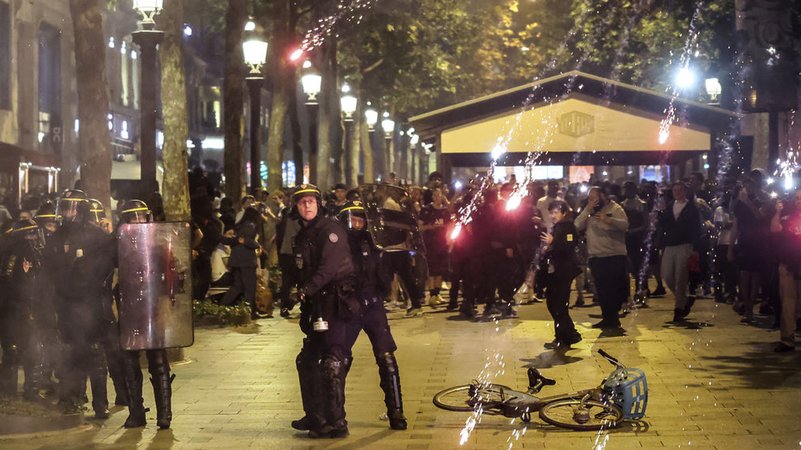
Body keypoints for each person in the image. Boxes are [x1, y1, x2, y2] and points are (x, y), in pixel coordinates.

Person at [290, 184, 359, 438]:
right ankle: (316, 418)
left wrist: (305, 290)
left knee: (332, 362)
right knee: (307, 360)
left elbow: (328, 269)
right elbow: (297, 268)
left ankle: (337, 422)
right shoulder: (302, 235)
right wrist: (290, 293)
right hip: (315, 304)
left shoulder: (331, 230)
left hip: (335, 303)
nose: (307, 206)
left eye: (311, 201)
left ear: (319, 204)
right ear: (295, 207)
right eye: (301, 202)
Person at [337, 201, 407, 430]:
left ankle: (396, 413)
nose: (357, 223)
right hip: (350, 304)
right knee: (338, 360)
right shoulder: (340, 244)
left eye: (360, 218)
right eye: (352, 219)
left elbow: (385, 274)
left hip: (373, 304)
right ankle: (336, 416)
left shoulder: (374, 243)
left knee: (387, 357)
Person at [47, 190, 113, 417]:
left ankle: (100, 403)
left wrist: (91, 283)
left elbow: (107, 265)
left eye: (71, 207)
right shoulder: (58, 235)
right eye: (64, 207)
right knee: (70, 352)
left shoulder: (96, 235)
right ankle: (71, 398)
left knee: (94, 353)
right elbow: (51, 267)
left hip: (90, 303)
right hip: (66, 303)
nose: (67, 213)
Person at [115, 199, 175, 429]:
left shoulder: (156, 245)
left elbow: (171, 274)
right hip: (130, 308)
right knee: (130, 361)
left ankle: (164, 414)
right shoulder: (119, 245)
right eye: (133, 217)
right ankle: (136, 412)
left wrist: (165, 305)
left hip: (152, 309)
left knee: (158, 361)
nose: (138, 221)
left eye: (141, 217)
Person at [575, 187, 629, 330]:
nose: (592, 201)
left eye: (594, 198)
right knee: (602, 289)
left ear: (603, 196)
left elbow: (625, 225)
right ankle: (608, 318)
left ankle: (614, 316)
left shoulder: (615, 208)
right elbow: (576, 225)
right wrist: (587, 209)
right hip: (596, 256)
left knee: (614, 288)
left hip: (614, 255)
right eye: (590, 198)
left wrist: (609, 220)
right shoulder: (589, 212)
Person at [540, 201, 582, 349]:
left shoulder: (568, 226)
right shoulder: (557, 227)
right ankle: (565, 335)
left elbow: (569, 246)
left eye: (556, 212)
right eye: (551, 212)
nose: (553, 215)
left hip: (564, 271)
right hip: (556, 271)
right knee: (554, 303)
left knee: (558, 304)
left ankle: (567, 336)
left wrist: (553, 242)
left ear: (564, 212)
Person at [658, 182, 701, 322]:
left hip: (684, 244)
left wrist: (695, 248)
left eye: (679, 189)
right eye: (674, 190)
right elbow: (663, 224)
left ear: (685, 191)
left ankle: (678, 308)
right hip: (670, 244)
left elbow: (696, 228)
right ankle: (683, 299)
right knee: (667, 275)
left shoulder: (691, 208)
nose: (677, 192)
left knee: (680, 277)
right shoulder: (670, 206)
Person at [219, 207, 264, 319]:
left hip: (237, 259)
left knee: (237, 286)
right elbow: (248, 241)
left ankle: (221, 307)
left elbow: (239, 240)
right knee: (249, 288)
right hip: (246, 260)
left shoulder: (240, 225)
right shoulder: (250, 225)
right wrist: (257, 245)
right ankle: (249, 312)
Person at [771, 187, 801, 352]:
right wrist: (777, 211)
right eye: (797, 198)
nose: (799, 201)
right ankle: (787, 339)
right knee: (788, 302)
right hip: (788, 264)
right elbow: (774, 229)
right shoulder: (789, 218)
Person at [418, 187, 450, 307]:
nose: (437, 197)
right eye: (435, 195)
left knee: (441, 270)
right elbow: (420, 227)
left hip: (442, 244)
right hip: (430, 244)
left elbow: (449, 225)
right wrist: (429, 227)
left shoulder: (445, 211)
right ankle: (431, 295)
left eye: (439, 195)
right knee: (431, 270)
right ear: (432, 197)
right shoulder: (426, 210)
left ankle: (437, 293)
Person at [621, 181, 648, 300]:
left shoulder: (641, 204)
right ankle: (628, 294)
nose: (628, 192)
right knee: (627, 267)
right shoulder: (622, 205)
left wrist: (634, 230)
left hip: (638, 238)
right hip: (627, 238)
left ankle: (641, 290)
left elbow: (646, 224)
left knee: (638, 267)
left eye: (630, 189)